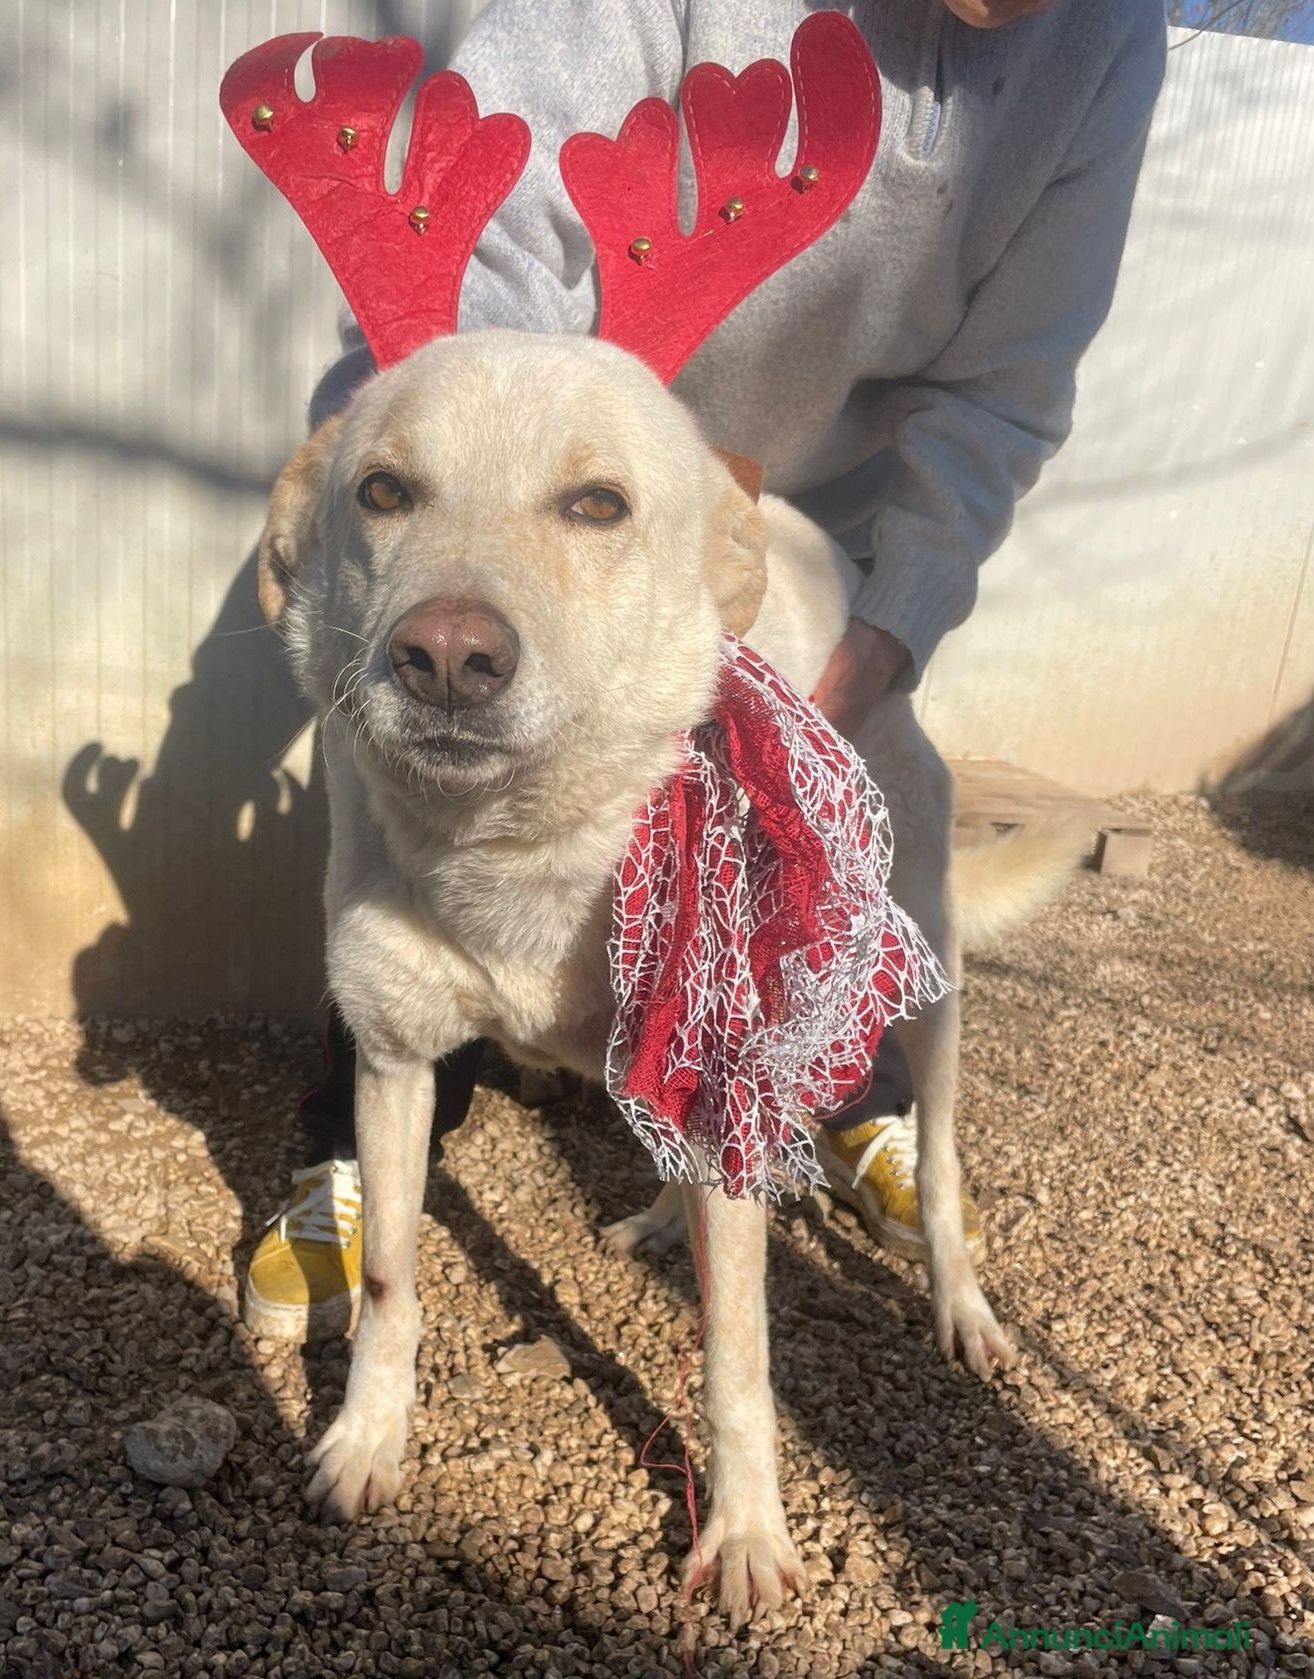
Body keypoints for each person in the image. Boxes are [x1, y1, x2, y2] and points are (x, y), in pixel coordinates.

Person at [242, 0, 1167, 1340]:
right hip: (550, 479)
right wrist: (445, 494)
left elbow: (1003, 394)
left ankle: (834, 1088)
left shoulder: (1105, 43)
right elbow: (490, 239)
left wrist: (883, 636)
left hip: (789, 542)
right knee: (406, 866)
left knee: (794, 906)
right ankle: (358, 1142)